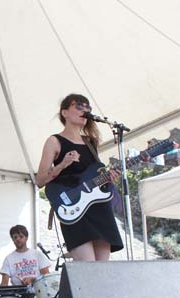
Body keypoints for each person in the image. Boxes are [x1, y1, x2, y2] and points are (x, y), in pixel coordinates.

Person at [36, 94, 123, 261]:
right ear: (64, 112)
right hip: (73, 205)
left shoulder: (91, 142)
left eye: (87, 107)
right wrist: (62, 165)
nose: (85, 110)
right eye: (79, 106)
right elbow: (40, 180)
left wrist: (108, 177)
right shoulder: (54, 141)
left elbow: (93, 174)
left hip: (98, 206)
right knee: (88, 269)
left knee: (103, 270)